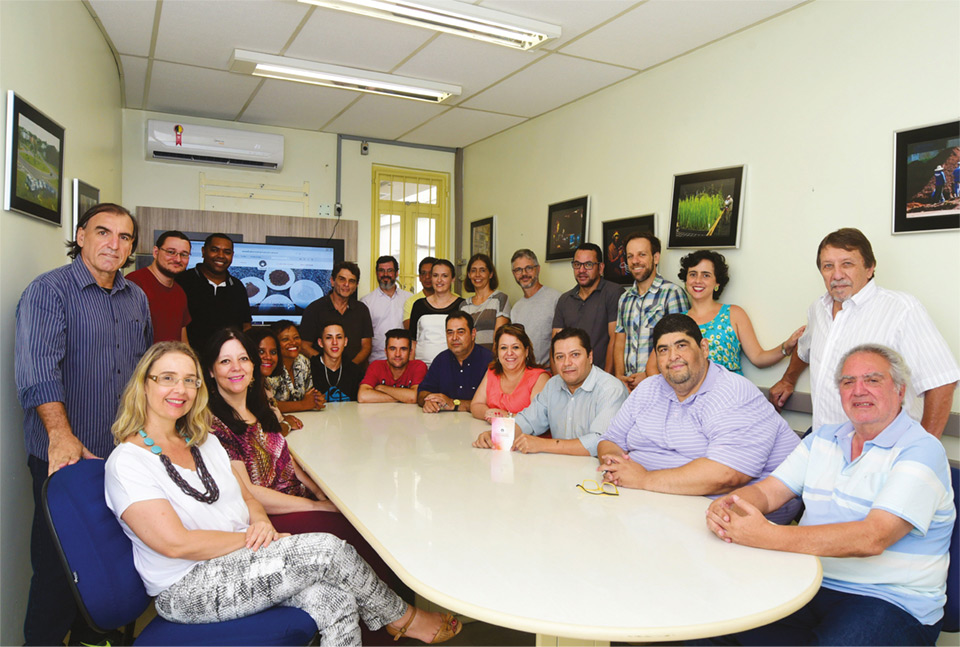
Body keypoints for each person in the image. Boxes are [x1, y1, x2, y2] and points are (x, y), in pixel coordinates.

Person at [104, 342, 461, 646]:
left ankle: (397, 619)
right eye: (166, 378)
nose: (179, 390)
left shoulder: (204, 440)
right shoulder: (128, 462)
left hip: (239, 560)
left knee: (335, 601)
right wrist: (253, 539)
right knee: (326, 549)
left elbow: (244, 496)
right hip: (187, 587)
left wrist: (260, 520)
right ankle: (403, 618)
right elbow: (175, 544)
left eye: (188, 380)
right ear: (144, 385)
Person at [705, 345, 954, 646]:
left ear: (900, 390)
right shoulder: (823, 439)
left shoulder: (922, 449)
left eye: (873, 380)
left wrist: (765, 535)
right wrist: (731, 506)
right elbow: (768, 492)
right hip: (809, 584)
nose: (859, 390)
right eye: (848, 382)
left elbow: (872, 538)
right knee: (712, 623)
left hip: (889, 600)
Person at [15, 203, 152, 646]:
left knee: (113, 564)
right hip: (66, 458)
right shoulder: (49, 291)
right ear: (80, 234)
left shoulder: (137, 298)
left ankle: (96, 639)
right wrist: (61, 435)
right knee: (59, 570)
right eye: (103, 232)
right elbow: (37, 369)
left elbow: (142, 374)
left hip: (122, 458)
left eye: (125, 237)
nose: (114, 244)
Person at [598, 314, 801, 523]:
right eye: (663, 350)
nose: (673, 356)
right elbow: (610, 440)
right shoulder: (647, 389)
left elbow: (726, 475)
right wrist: (616, 467)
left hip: (731, 517)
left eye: (681, 345)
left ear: (704, 348)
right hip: (654, 503)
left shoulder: (733, 392)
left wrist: (643, 479)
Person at [769, 228, 959, 437]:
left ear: (870, 268)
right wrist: (788, 379)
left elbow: (942, 381)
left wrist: (924, 452)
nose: (837, 275)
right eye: (828, 266)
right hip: (825, 444)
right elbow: (805, 348)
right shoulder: (818, 309)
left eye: (847, 264)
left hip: (883, 452)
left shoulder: (902, 309)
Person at [473, 328, 627, 456]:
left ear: (590, 356)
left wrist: (542, 444)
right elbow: (527, 420)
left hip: (597, 475)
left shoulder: (611, 389)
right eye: (560, 357)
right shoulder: (553, 384)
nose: (567, 363)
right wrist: (496, 434)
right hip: (557, 470)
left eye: (575, 355)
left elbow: (599, 442)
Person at [669, 249, 804, 374]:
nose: (698, 280)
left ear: (717, 283)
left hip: (732, 394)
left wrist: (786, 347)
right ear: (686, 280)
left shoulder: (734, 314)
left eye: (706, 275)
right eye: (693, 274)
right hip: (691, 396)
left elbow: (758, 358)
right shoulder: (677, 322)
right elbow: (660, 362)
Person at [613, 232, 688, 391]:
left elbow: (680, 345)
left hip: (661, 385)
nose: (635, 261)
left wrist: (649, 375)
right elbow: (620, 341)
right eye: (630, 256)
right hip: (628, 388)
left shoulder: (672, 293)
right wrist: (620, 377)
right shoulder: (624, 299)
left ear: (655, 258)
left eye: (642, 255)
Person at [552, 243, 623, 372]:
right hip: (572, 376)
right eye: (577, 264)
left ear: (600, 268)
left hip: (601, 376)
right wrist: (558, 381)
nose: (582, 270)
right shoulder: (564, 300)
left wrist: (605, 380)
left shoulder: (614, 293)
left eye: (588, 264)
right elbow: (556, 344)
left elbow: (615, 339)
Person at [176, 233, 252, 351]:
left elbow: (246, 326)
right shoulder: (182, 281)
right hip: (191, 359)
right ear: (203, 251)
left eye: (227, 252)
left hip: (227, 360)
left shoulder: (237, 287)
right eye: (214, 250)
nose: (221, 256)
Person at [417, 312, 493, 413]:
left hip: (479, 424)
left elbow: (495, 403)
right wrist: (430, 400)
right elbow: (422, 392)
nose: (454, 337)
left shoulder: (489, 361)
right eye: (450, 332)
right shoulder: (441, 360)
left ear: (473, 334)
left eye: (460, 332)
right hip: (444, 423)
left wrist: (455, 404)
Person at [300, 261, 373, 367]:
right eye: (342, 279)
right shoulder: (314, 309)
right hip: (322, 373)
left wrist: (349, 367)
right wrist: (328, 364)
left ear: (356, 285)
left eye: (351, 281)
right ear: (332, 281)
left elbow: (366, 347)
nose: (346, 284)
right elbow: (304, 346)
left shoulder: (362, 310)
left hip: (354, 373)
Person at [471, 324, 549, 421]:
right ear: (497, 352)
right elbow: (475, 405)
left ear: (526, 351)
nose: (509, 353)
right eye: (503, 348)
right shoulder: (492, 371)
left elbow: (537, 418)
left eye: (515, 347)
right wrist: (489, 413)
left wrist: (506, 416)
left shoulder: (540, 378)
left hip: (526, 435)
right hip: (493, 433)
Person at [126, 230, 192, 343]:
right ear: (156, 252)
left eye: (184, 254)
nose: (178, 259)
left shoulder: (179, 292)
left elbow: (183, 340)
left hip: (172, 359)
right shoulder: (134, 283)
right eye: (171, 252)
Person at [247, 326, 308, 434]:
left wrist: (280, 417)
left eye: (273, 352)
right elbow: (264, 436)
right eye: (261, 351)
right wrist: (286, 425)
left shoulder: (264, 384)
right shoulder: (245, 389)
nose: (268, 357)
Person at [509, 249, 560, 366]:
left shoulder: (555, 299)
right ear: (513, 273)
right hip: (524, 374)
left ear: (538, 269)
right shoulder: (516, 309)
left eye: (529, 268)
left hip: (548, 374)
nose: (524, 274)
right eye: (518, 270)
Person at [409, 259, 465, 366]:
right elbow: (413, 341)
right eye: (435, 275)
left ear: (452, 279)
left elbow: (466, 341)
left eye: (444, 276)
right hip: (421, 366)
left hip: (452, 365)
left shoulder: (462, 305)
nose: (439, 280)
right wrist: (411, 369)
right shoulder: (419, 305)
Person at [360, 255, 412, 362]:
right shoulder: (366, 302)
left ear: (396, 273)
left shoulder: (409, 299)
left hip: (404, 361)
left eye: (390, 271)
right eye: (381, 271)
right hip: (377, 361)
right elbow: (363, 338)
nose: (385, 275)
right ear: (376, 273)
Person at [268, 320, 324, 414]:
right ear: (275, 344)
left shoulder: (303, 361)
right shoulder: (269, 365)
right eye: (285, 339)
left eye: (296, 338)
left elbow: (309, 396)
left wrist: (316, 399)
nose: (293, 342)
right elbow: (267, 405)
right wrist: (303, 404)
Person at [358, 329, 428, 403]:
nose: (397, 354)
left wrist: (382, 388)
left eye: (403, 349)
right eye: (392, 349)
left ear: (410, 352)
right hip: (381, 413)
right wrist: (403, 397)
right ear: (386, 351)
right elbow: (363, 396)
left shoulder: (418, 366)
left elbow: (414, 397)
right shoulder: (376, 366)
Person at [461, 253, 511, 351]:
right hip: (470, 359)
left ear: (491, 274)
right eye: (473, 270)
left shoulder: (500, 298)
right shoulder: (463, 306)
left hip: (491, 358)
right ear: (469, 275)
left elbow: (499, 337)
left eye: (482, 270)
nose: (477, 274)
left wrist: (492, 362)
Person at [311, 322, 363, 402]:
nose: (334, 342)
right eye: (329, 338)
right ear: (320, 343)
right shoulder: (309, 370)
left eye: (339, 337)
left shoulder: (355, 371)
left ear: (345, 341)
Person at [403, 256, 437, 329]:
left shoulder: (454, 299)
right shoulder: (411, 301)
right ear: (420, 277)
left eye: (431, 273)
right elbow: (410, 329)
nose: (427, 277)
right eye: (423, 273)